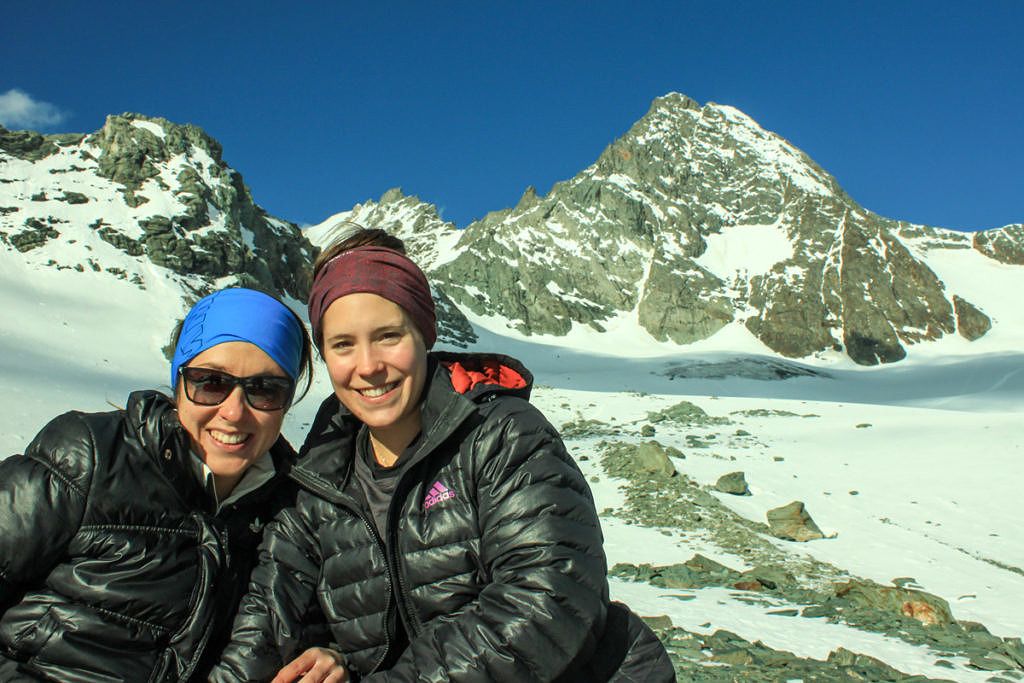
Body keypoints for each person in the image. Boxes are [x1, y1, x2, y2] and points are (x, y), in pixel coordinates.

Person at [213, 230, 674, 682]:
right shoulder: (319, 477)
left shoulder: (502, 436)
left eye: (388, 335)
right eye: (343, 345)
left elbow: (545, 600)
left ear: (424, 334)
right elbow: (269, 615)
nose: (368, 365)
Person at [0, 287, 314, 682]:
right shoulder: (91, 456)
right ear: (179, 381)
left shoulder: (294, 509)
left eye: (265, 389)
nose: (233, 412)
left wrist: (327, 655)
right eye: (211, 383)